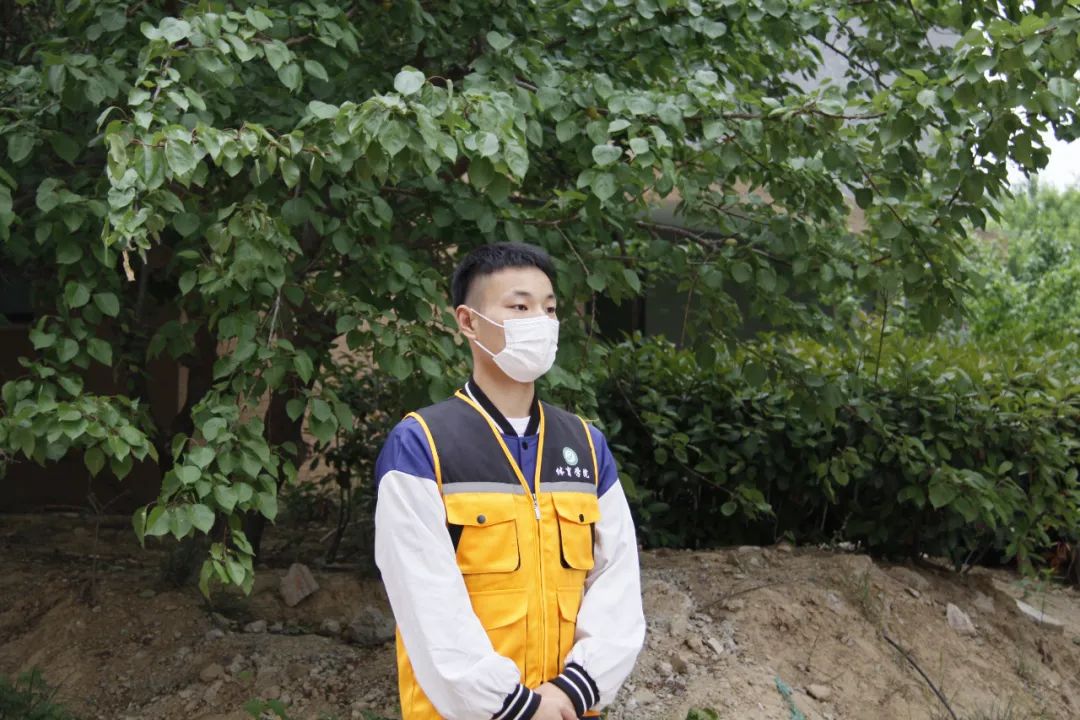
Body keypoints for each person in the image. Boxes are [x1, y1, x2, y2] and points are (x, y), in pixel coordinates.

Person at [373, 242, 645, 720]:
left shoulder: (586, 445)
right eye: (520, 307)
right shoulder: (422, 444)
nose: (540, 321)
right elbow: (426, 600)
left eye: (549, 308)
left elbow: (617, 584)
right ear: (468, 321)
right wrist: (515, 706)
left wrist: (571, 692)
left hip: (568, 709)